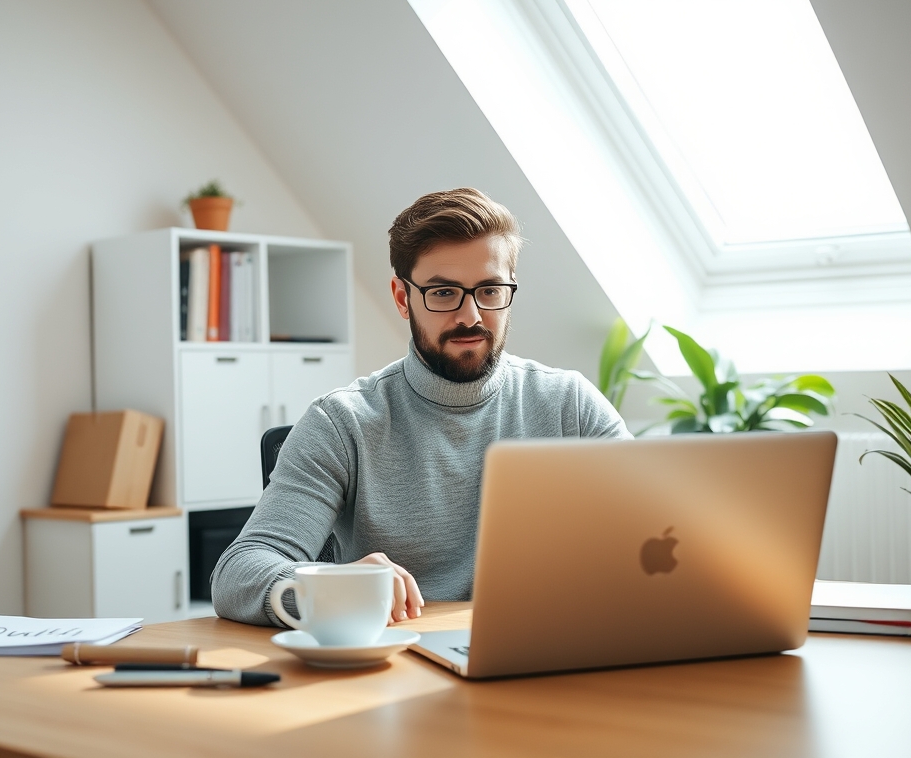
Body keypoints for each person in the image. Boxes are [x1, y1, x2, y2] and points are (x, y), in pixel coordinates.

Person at [211, 188, 631, 627]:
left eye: (489, 290)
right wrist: (334, 587)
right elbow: (237, 574)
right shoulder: (341, 424)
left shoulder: (571, 406)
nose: (470, 315)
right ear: (401, 297)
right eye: (444, 293)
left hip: (544, 650)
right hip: (402, 665)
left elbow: (662, 532)